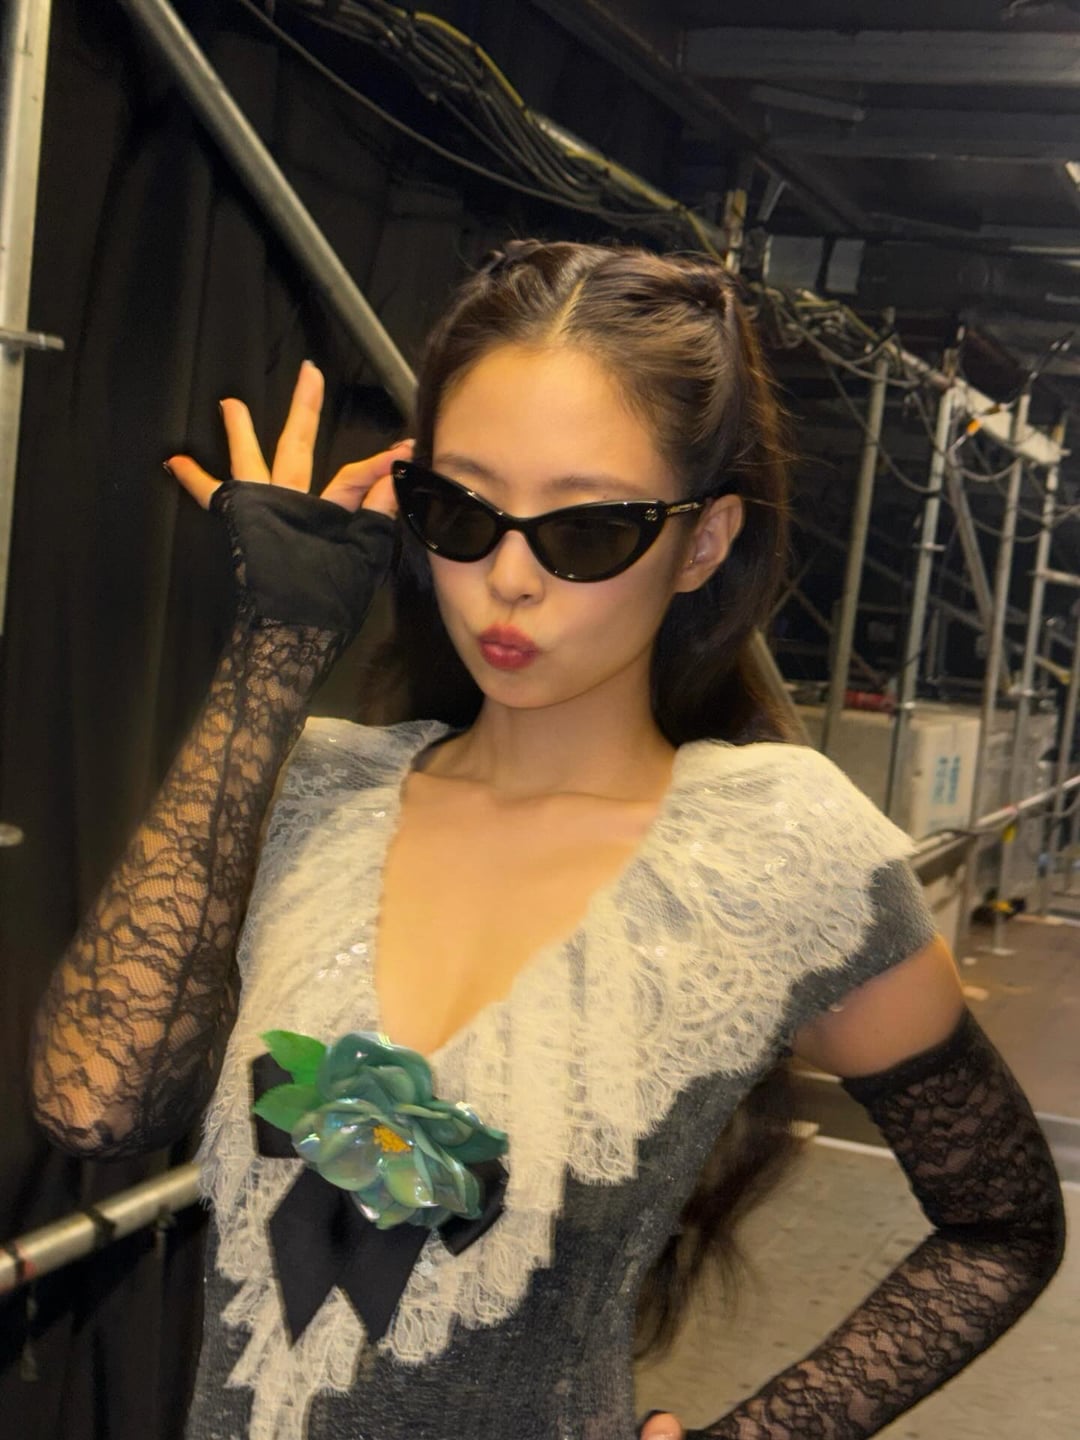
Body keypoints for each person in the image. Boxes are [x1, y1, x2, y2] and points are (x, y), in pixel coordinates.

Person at [29, 241, 1064, 1440]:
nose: (508, 580)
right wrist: (277, 643)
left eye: (587, 530)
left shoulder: (772, 857)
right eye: (461, 512)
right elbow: (95, 1105)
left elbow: (1002, 1227)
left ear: (705, 542)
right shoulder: (316, 789)